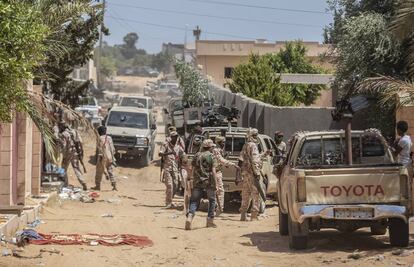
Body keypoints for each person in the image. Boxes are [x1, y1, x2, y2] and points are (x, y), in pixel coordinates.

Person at [185, 139, 218, 230]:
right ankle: (210, 221)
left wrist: (189, 178)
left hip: (197, 182)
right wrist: (216, 184)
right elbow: (214, 171)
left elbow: (191, 167)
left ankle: (190, 217)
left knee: (194, 201)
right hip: (209, 182)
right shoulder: (211, 156)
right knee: (212, 201)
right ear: (210, 147)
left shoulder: (197, 155)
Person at [238, 128, 263, 221]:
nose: (256, 137)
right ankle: (254, 215)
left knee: (245, 194)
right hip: (252, 173)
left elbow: (240, 160)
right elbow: (255, 160)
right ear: (252, 136)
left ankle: (243, 214)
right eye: (255, 135)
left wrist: (240, 172)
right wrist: (257, 173)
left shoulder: (246, 145)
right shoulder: (253, 146)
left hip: (245, 174)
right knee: (256, 194)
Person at [212, 136, 239, 215]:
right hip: (215, 173)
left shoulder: (219, 150)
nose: (224, 144)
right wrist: (232, 164)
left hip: (218, 172)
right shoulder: (216, 150)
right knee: (220, 191)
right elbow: (221, 160)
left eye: (224, 142)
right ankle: (219, 209)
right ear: (218, 143)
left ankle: (217, 209)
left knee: (217, 191)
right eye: (222, 142)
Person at [159, 131, 185, 209]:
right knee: (169, 185)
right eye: (174, 136)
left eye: (176, 136)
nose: (175, 138)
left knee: (176, 185)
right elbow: (160, 154)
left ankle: (170, 198)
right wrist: (169, 153)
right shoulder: (166, 145)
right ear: (171, 137)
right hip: (167, 168)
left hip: (175, 169)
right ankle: (168, 202)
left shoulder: (178, 146)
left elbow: (183, 154)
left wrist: (185, 161)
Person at [58, 121, 87, 190]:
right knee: (76, 168)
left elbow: (64, 146)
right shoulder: (75, 132)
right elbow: (80, 142)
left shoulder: (64, 134)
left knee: (63, 168)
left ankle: (65, 184)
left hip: (68, 153)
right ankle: (83, 182)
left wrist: (63, 154)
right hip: (75, 153)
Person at [92, 126, 117, 191]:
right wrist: (112, 157)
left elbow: (100, 149)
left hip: (102, 157)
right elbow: (113, 149)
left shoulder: (99, 138)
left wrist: (99, 158)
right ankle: (114, 186)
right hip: (110, 157)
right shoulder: (109, 138)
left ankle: (98, 186)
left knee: (98, 172)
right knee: (111, 171)